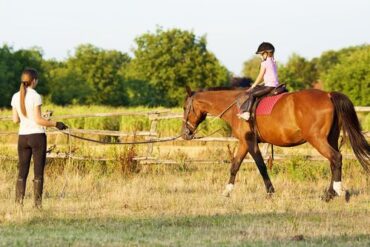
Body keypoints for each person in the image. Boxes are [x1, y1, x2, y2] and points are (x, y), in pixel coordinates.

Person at [11, 68, 68, 208]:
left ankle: (18, 205)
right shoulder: (35, 96)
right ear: (34, 81)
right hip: (37, 137)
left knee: (22, 172)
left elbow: (15, 120)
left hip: (22, 137)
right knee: (38, 172)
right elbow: (38, 120)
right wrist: (56, 124)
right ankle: (37, 206)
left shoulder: (15, 96)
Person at [238, 42, 280, 120]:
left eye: (261, 54)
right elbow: (271, 76)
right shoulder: (274, 62)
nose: (260, 56)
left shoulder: (264, 63)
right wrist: (262, 83)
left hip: (269, 87)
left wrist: (253, 86)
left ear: (266, 54)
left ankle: (247, 113)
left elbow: (260, 76)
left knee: (252, 94)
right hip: (275, 85)